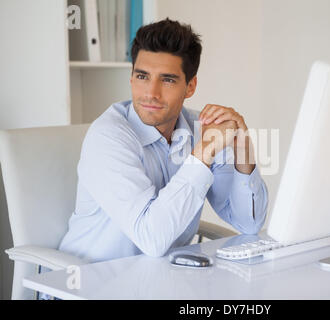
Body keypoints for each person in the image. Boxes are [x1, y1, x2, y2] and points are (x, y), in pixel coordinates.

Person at [58, 18, 268, 262]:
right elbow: (152, 238)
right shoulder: (108, 137)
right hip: (86, 286)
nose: (151, 93)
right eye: (142, 76)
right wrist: (203, 154)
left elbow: (249, 223)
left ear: (190, 86)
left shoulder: (200, 128)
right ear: (131, 77)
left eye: (167, 79)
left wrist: (242, 147)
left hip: (158, 281)